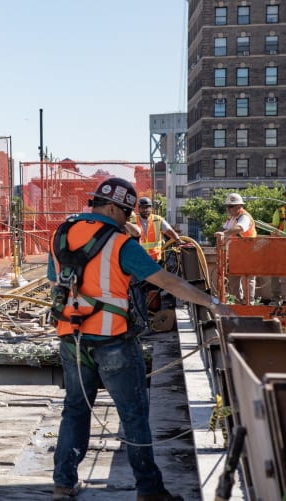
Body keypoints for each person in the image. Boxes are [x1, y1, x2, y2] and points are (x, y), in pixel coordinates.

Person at [48, 177, 233, 501]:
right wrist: (212, 303)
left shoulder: (62, 233)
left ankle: (64, 482)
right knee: (132, 413)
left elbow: (56, 279)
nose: (129, 219)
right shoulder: (120, 244)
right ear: (112, 208)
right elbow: (167, 281)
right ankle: (149, 489)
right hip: (112, 341)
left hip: (72, 336)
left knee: (75, 409)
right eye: (126, 213)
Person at [216, 192, 257, 305]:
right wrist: (219, 232)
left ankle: (249, 303)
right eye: (227, 206)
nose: (228, 209)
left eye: (230, 206)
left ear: (239, 206)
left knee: (248, 278)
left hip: (248, 252)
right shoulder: (232, 218)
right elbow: (224, 227)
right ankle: (238, 302)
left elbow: (240, 228)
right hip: (236, 253)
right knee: (234, 278)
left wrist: (224, 233)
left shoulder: (244, 217)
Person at [131, 197, 180, 262]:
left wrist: (178, 240)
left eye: (147, 207)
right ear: (139, 209)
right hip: (137, 260)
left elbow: (169, 231)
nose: (145, 210)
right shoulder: (132, 221)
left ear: (151, 208)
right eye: (142, 207)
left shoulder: (158, 220)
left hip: (155, 260)